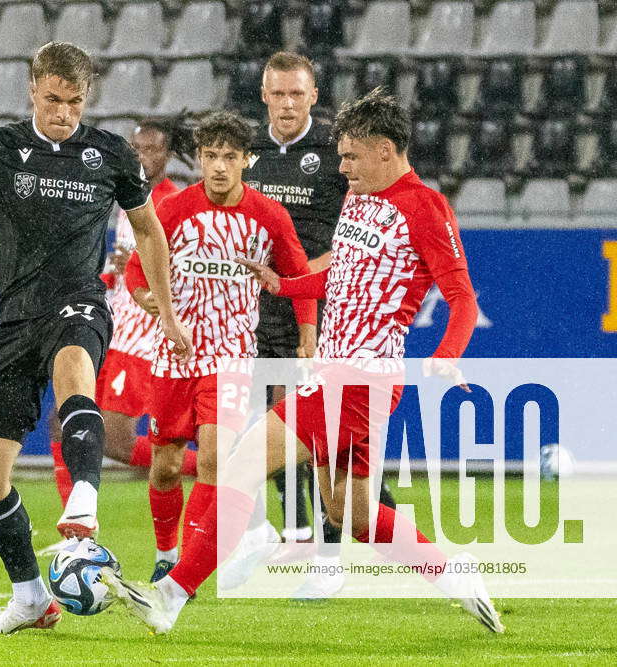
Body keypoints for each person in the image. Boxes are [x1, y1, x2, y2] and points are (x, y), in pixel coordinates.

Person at [102, 88, 504, 635]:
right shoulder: (360, 198)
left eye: (350, 157)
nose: (341, 167)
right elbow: (342, 276)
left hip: (356, 377)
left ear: (385, 150)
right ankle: (457, 575)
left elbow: (463, 299)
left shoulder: (426, 208)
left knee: (242, 465)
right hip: (348, 377)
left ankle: (170, 596)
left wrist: (445, 356)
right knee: (353, 517)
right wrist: (287, 285)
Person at [0, 41, 191, 635]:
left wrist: (166, 309)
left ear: (88, 98)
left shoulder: (110, 154)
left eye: (75, 101)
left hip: (77, 298)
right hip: (10, 318)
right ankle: (31, 597)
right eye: (53, 99)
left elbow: (149, 231)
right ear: (33, 90)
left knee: (75, 364)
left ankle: (83, 501)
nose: (63, 111)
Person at [122, 111, 315, 583]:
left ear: (247, 160)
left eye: (230, 157)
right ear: (200, 159)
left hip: (230, 360)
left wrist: (307, 337)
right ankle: (167, 553)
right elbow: (135, 269)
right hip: (173, 355)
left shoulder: (269, 216)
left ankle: (184, 571)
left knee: (212, 460)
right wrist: (146, 297)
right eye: (211, 156)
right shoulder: (173, 210)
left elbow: (301, 278)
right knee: (165, 466)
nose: (220, 167)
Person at [245, 50, 398, 598]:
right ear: (263, 96)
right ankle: (309, 533)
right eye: (277, 94)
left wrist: (305, 272)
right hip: (259, 311)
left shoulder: (338, 153)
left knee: (322, 433)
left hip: (330, 310)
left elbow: (365, 230)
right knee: (280, 428)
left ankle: (329, 555)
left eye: (297, 94)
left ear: (314, 97)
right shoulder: (249, 152)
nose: (287, 104)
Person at [42, 118, 198, 552]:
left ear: (167, 156)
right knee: (61, 422)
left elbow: (181, 273)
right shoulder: (127, 200)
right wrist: (112, 273)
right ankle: (76, 534)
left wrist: (143, 266)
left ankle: (214, 467)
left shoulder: (171, 203)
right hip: (115, 330)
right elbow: (124, 272)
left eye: (151, 149)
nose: (142, 157)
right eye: (135, 148)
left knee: (115, 441)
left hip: (144, 339)